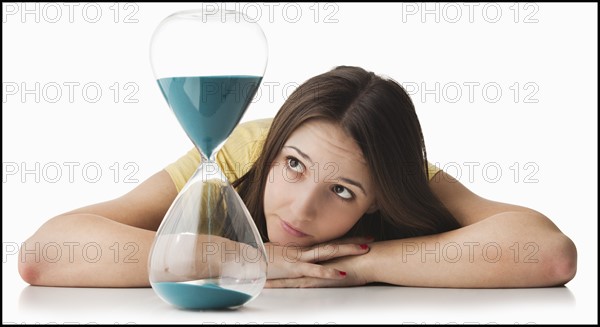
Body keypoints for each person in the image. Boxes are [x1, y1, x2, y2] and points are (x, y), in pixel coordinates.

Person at [19, 66, 577, 288]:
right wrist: (245, 259)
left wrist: (358, 263)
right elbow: (45, 253)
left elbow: (548, 254)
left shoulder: (399, 171)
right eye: (293, 166)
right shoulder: (240, 153)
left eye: (341, 191)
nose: (300, 209)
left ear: (380, 196)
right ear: (275, 148)